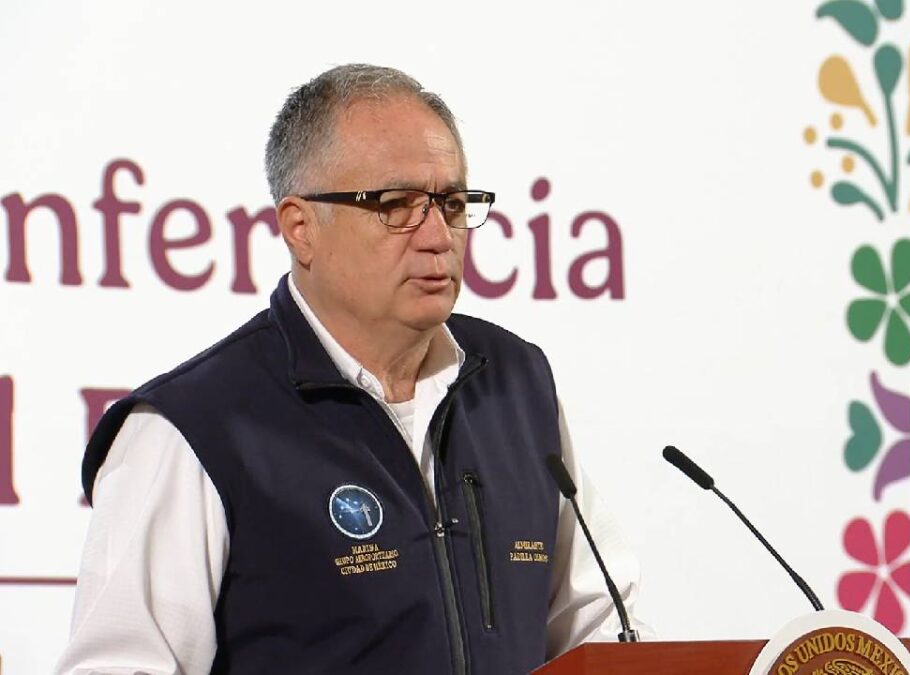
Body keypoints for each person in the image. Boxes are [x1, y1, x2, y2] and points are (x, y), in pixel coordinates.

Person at [56, 64, 642, 674]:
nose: (438, 236)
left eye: (450, 202)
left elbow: (596, 626)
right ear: (300, 228)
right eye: (397, 205)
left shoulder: (518, 384)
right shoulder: (192, 428)